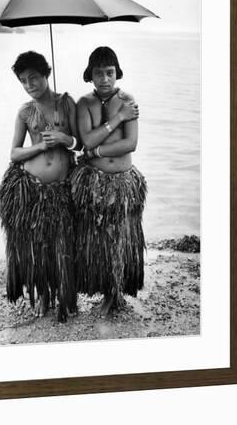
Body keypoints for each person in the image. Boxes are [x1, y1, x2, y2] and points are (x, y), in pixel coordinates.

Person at [0, 51, 80, 322]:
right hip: (33, 187)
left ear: (47, 74)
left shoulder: (67, 104)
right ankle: (42, 297)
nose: (29, 84)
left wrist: (65, 139)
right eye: (23, 81)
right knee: (38, 247)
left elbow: (82, 142)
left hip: (61, 189)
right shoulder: (25, 112)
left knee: (61, 244)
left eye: (34, 78)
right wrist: (42, 145)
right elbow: (14, 153)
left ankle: (64, 295)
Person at [70, 46, 147, 315]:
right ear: (89, 75)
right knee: (98, 240)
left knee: (121, 239)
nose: (105, 79)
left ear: (118, 73)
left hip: (123, 182)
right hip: (95, 182)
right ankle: (105, 292)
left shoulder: (128, 99)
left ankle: (116, 294)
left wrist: (97, 151)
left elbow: (131, 143)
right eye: (99, 73)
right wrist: (119, 118)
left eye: (110, 72)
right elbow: (85, 141)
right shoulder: (84, 103)